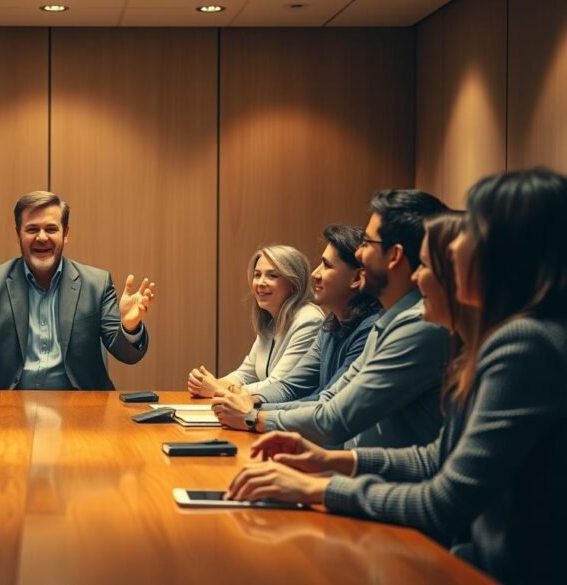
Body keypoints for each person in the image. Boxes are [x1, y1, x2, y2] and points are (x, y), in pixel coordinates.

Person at [225, 170, 567, 583]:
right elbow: (436, 457)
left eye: (472, 229)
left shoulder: (524, 344)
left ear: (510, 252)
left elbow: (444, 500)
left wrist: (316, 489)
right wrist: (330, 460)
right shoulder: (502, 337)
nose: (453, 244)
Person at [213, 189, 450, 449]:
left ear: (394, 256)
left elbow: (335, 419)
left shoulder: (417, 327)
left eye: (367, 243)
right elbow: (328, 399)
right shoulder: (384, 322)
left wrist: (253, 416)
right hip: (357, 468)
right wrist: (252, 405)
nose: (360, 254)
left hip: (376, 480)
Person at [0, 190, 155, 390]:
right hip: (2, 409)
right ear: (18, 234)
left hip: (82, 413)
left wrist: (129, 327)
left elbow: (127, 355)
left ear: (66, 233)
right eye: (32, 229)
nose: (41, 237)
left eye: (51, 229)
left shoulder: (96, 284)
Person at [195, 226, 382, 410]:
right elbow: (290, 386)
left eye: (326, 265)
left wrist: (251, 412)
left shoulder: (368, 330)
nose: (315, 274)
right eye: (257, 274)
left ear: (356, 278)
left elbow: (329, 403)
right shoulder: (331, 325)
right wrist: (251, 401)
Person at [188, 244, 325, 397]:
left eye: (272, 275)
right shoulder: (272, 322)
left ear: (294, 284)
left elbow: (278, 385)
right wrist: (212, 383)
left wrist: (218, 391)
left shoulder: (309, 320)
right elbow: (245, 374)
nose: (260, 282)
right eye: (257, 275)